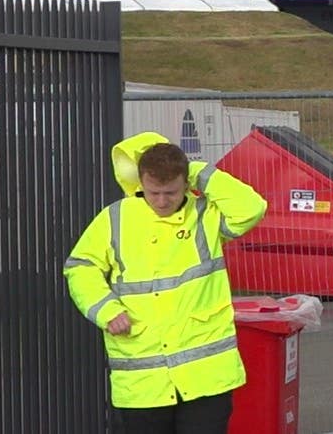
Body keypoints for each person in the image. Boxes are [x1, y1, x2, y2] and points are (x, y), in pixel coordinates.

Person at [64, 132, 268, 434]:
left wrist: (198, 171)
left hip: (205, 378)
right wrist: (105, 310)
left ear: (186, 184)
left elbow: (251, 208)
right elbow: (80, 267)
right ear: (141, 184)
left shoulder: (204, 216)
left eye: (171, 192)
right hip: (143, 381)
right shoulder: (115, 217)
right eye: (153, 192)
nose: (161, 201)